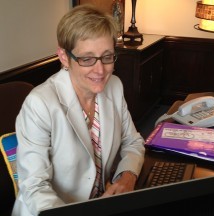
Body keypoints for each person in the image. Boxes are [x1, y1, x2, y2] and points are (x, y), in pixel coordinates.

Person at [12, 4, 145, 216]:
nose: (100, 70)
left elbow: (133, 141)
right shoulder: (40, 104)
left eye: (107, 56)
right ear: (64, 57)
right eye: (87, 59)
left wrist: (127, 177)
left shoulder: (115, 86)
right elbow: (34, 187)